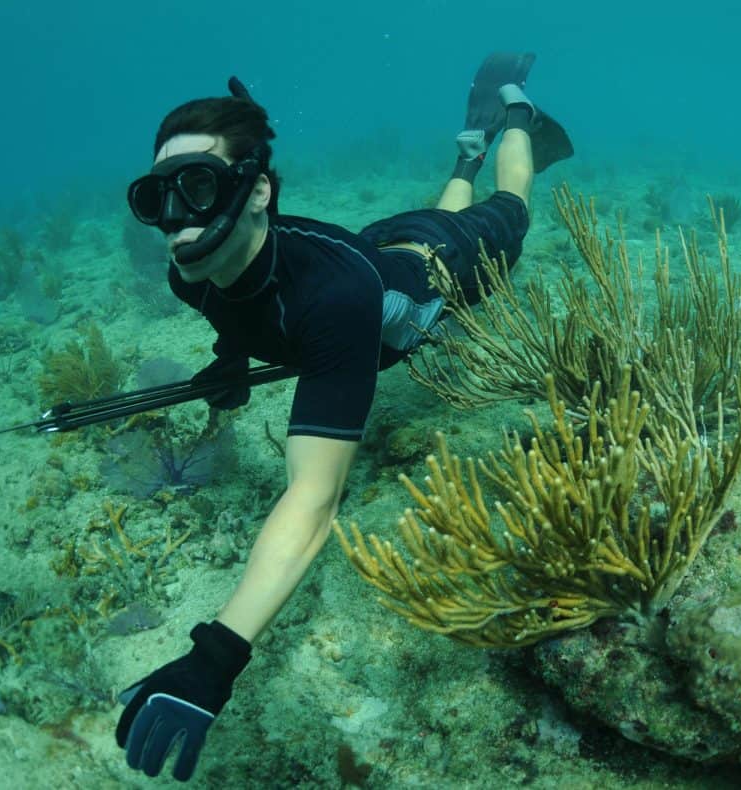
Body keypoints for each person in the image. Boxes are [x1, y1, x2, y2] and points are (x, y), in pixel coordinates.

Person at [115, 53, 572, 781]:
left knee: (513, 204)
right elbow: (236, 308)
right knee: (441, 211)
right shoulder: (189, 273)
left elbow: (314, 497)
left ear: (257, 190)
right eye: (155, 198)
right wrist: (231, 357)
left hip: (445, 264)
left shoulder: (332, 300)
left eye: (197, 188)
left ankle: (517, 115)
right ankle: (468, 150)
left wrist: (215, 656)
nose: (175, 223)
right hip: (388, 243)